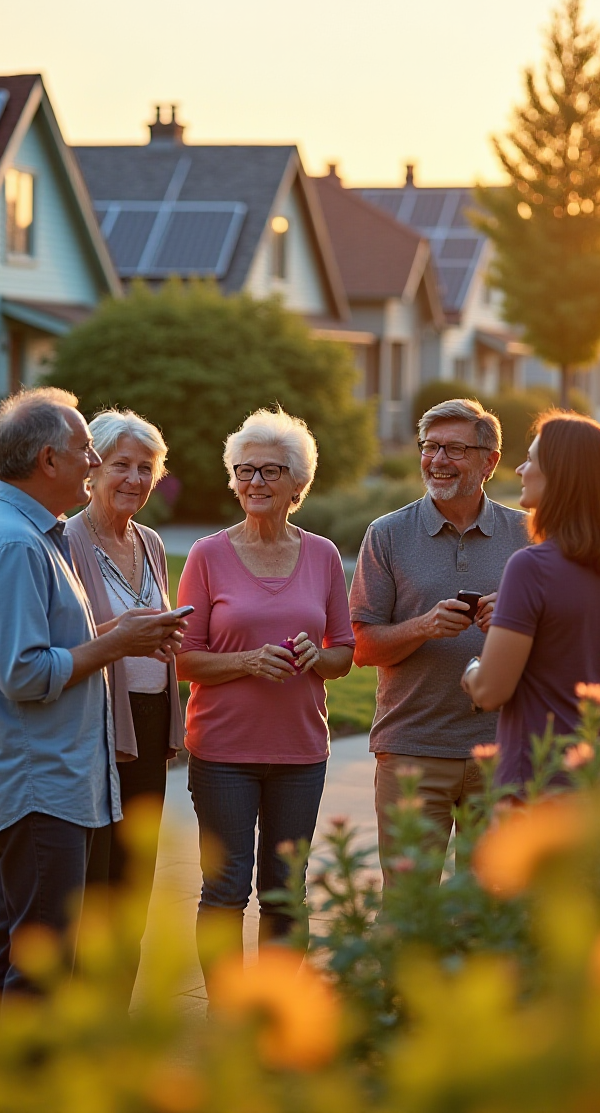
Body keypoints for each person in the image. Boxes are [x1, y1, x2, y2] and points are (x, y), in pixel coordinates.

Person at [0, 387, 187, 1036]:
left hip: (52, 778)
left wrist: (125, 633)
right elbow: (24, 673)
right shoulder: (16, 544)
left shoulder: (27, 534)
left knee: (24, 947)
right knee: (43, 960)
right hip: (36, 782)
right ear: (49, 459)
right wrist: (117, 642)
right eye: (88, 453)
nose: (93, 466)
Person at [175, 407, 355, 980]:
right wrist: (249, 661)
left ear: (297, 484)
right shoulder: (207, 554)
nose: (254, 481)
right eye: (244, 470)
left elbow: (344, 653)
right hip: (223, 751)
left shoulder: (324, 554)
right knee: (225, 889)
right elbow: (183, 658)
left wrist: (315, 658)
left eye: (270, 470)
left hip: (301, 752)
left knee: (285, 892)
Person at [350, 398, 529, 871]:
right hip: (413, 749)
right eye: (429, 447)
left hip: (501, 750)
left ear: (489, 461)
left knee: (492, 905)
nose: (437, 460)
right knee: (409, 909)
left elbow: (560, 640)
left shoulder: (528, 535)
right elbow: (362, 647)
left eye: (454, 449)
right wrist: (423, 627)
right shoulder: (386, 534)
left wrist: (511, 625)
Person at [461, 410, 600, 790]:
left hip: (537, 784)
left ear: (561, 478)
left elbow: (490, 691)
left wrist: (473, 668)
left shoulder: (530, 567)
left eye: (532, 460)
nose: (520, 469)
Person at [64, 408, 180, 1005]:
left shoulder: (151, 542)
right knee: (95, 881)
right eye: (120, 466)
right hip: (98, 726)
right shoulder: (66, 540)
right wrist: (129, 629)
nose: (134, 478)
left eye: (145, 467)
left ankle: (115, 1014)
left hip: (150, 722)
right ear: (91, 469)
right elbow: (68, 640)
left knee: (135, 879)